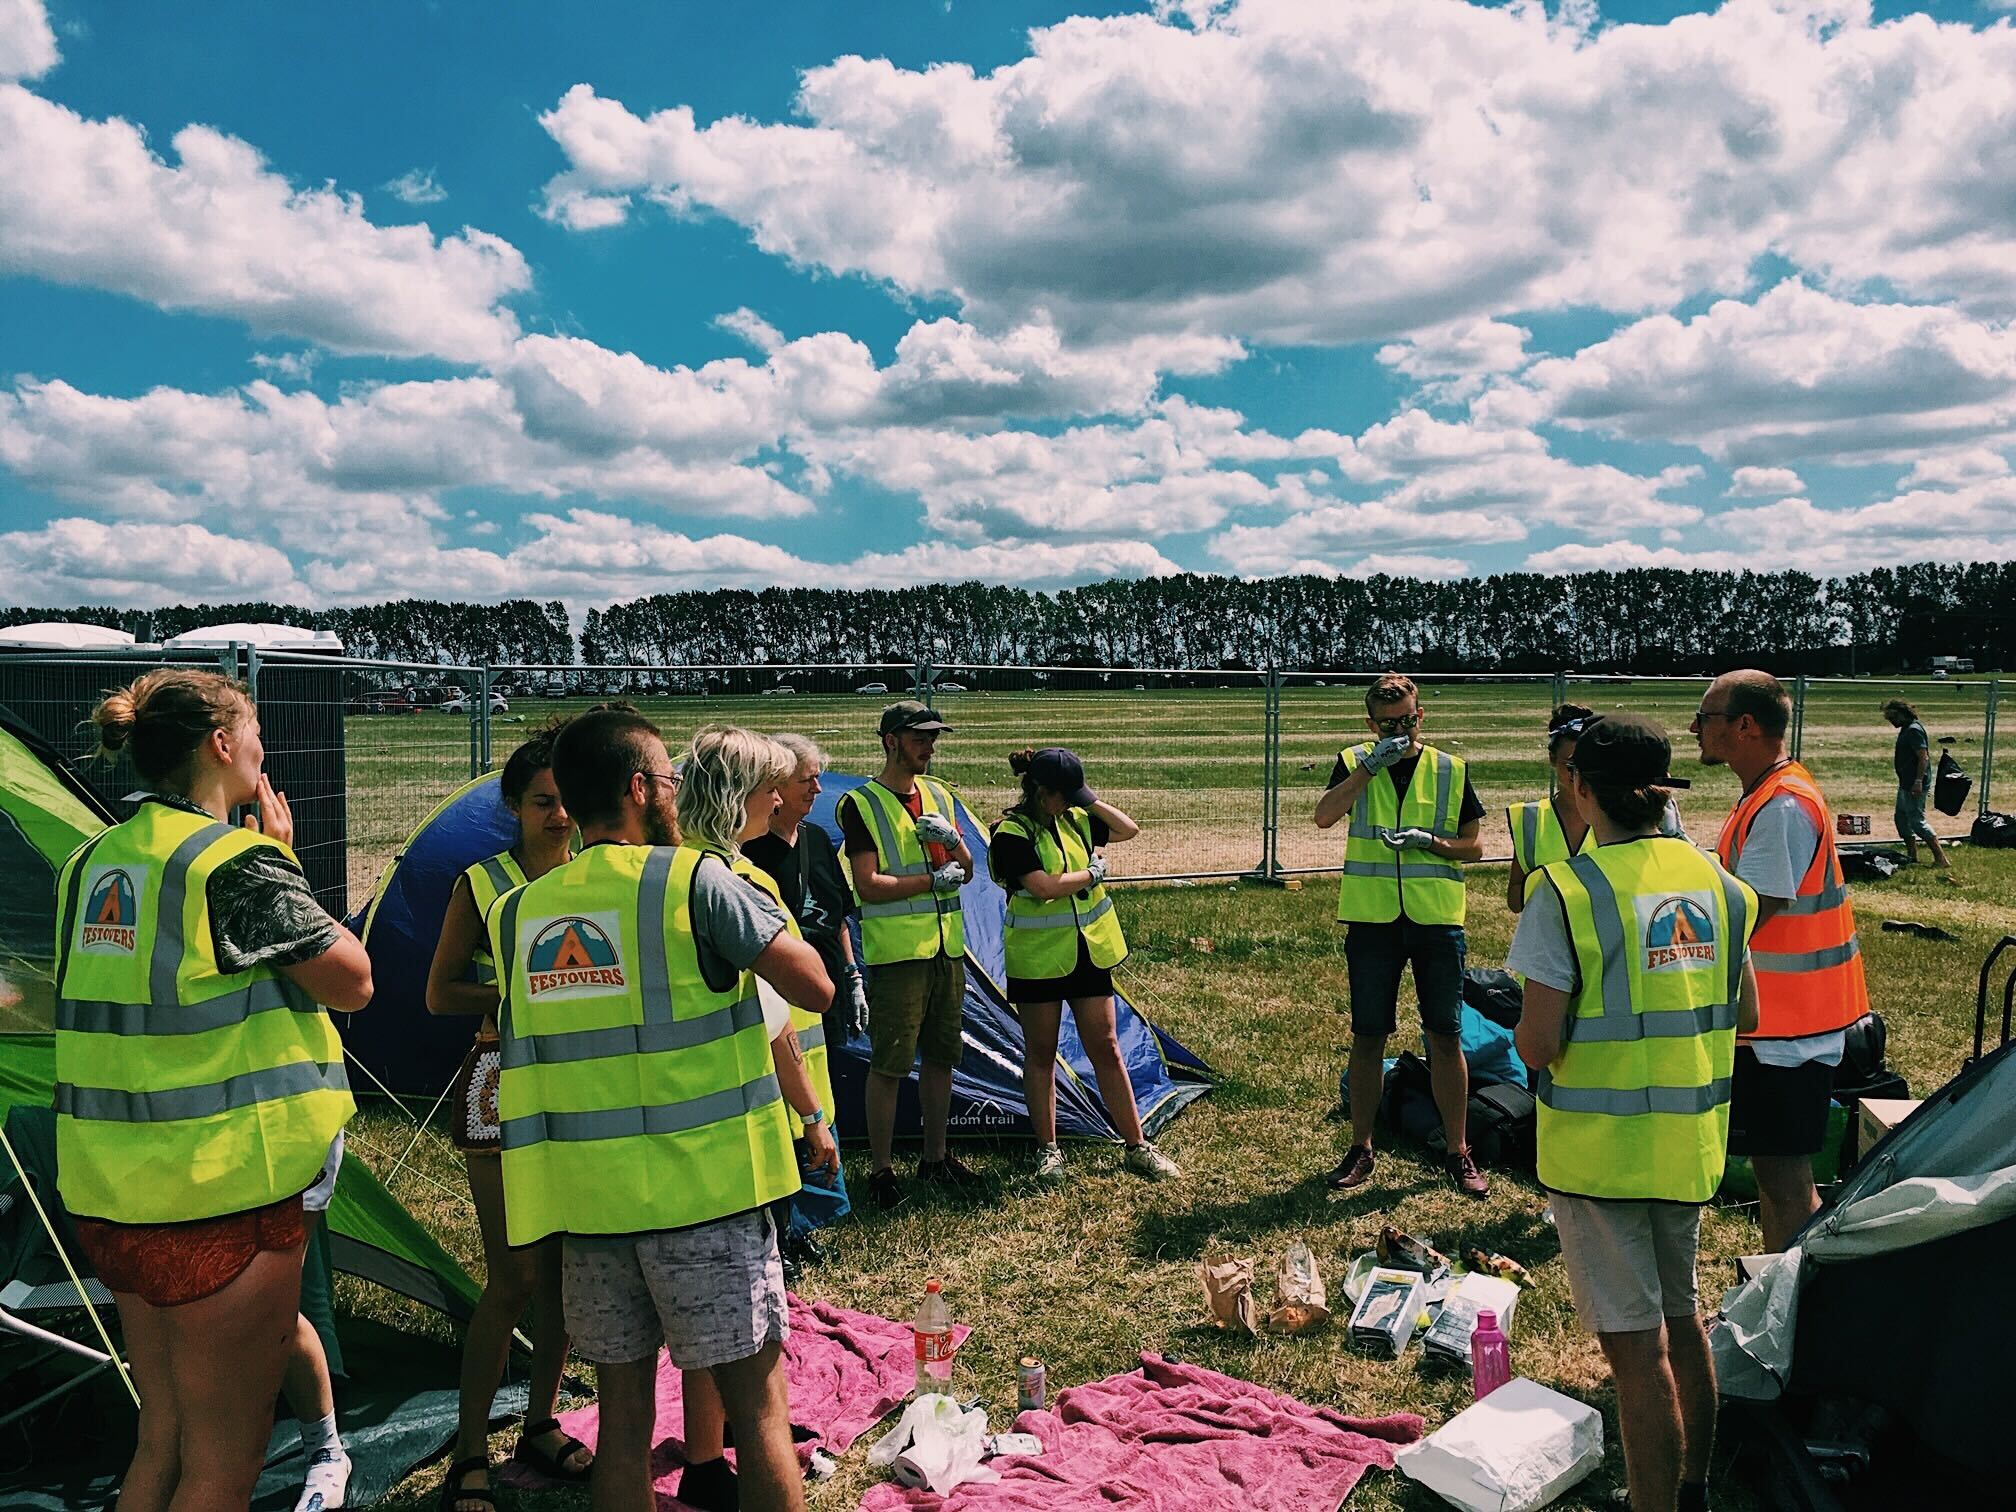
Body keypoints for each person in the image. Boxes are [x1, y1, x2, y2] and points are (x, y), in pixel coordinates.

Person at [489, 712, 839, 1512]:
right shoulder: (694, 882)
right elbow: (812, 987)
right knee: (759, 1414)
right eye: (670, 783)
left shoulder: (519, 913)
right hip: (707, 1196)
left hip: (590, 1204)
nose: (678, 797)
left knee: (621, 1424)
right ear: (641, 789)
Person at [55, 669, 371, 1512]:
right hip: (220, 1196)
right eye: (256, 732)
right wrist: (287, 859)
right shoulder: (236, 866)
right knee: (223, 1468)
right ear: (221, 745)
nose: (265, 750)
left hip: (110, 1190)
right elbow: (353, 982)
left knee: (160, 1443)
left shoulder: (90, 860)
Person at [1511, 714, 1759, 1512]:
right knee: (1684, 1322)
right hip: (1688, 1146)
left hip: (1599, 1155)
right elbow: (1746, 1011)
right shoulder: (1721, 886)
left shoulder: (1568, 891)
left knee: (1634, 1351)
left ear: (1579, 789)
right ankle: (1694, 1487)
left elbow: (1539, 1044)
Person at [426, 720, 591, 1512]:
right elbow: (438, 991)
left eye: (566, 802)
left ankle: (539, 1422)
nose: (557, 817)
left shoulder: (598, 875)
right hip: (500, 1081)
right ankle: (467, 1452)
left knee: (562, 1276)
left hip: (578, 1087)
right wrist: (518, 995)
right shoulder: (482, 882)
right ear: (516, 807)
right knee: (513, 1277)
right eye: (541, 802)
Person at [1693, 671, 1871, 1252]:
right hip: (1783, 1027)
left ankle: (1792, 1302)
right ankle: (1785, 1292)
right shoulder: (1769, 793)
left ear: (1744, 726)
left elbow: (1752, 910)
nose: (1696, 727)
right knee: (1777, 1174)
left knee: (1786, 1179)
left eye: (1707, 717)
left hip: (1788, 1034)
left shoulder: (1784, 806)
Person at [1313, 673, 1489, 1196]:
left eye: (1408, 720)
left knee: (1445, 1036)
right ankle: (1361, 1146)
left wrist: (1430, 843)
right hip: (1372, 921)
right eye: (1388, 724)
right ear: (1370, 724)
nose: (1400, 730)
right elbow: (1324, 817)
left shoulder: (1450, 769)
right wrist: (1368, 769)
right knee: (1368, 1037)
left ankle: (1459, 1152)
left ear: (1421, 716)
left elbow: (1474, 847)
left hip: (1436, 921)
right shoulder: (1352, 762)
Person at [989, 747, 1179, 1185]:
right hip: (1038, 961)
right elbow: (1042, 887)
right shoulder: (1011, 834)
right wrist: (1091, 875)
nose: (1073, 803)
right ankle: (1048, 1152)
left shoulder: (1077, 818)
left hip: (1088, 954)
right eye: (1066, 795)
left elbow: (1128, 829)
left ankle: (1137, 1146)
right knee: (1041, 1054)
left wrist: (1088, 801)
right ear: (1040, 792)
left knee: (1107, 1048)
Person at [835, 701, 975, 1211]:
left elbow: (968, 871)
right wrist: (931, 882)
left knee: (942, 1057)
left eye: (933, 737)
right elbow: (869, 886)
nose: (930, 746)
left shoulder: (939, 794)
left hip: (946, 949)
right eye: (920, 738)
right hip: (898, 957)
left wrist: (956, 844)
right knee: (890, 1064)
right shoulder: (861, 804)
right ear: (891, 740)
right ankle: (881, 1170)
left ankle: (936, 1158)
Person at [743, 734, 859, 1269]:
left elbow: (836, 913)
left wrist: (852, 973)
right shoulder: (748, 853)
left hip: (821, 999)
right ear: (773, 789)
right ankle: (781, 1226)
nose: (817, 787)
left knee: (816, 1105)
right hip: (778, 1001)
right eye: (805, 778)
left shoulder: (816, 839)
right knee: (780, 1111)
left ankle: (804, 1222)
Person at [1509, 705, 1690, 913]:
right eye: (1570, 766)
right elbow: (1515, 896)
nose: (1574, 775)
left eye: (1582, 768)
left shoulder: (1619, 814)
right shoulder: (1530, 818)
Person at [1882, 699, 1956, 881]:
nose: (1891, 721)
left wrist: (1918, 781)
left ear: (1902, 713)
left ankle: (1941, 858)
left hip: (1914, 784)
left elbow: (1923, 758)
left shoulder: (1914, 730)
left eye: (1893, 717)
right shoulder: (1907, 729)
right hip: (1905, 783)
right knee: (1901, 818)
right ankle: (1912, 856)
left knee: (1917, 821)